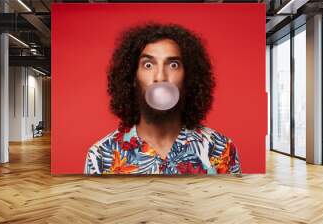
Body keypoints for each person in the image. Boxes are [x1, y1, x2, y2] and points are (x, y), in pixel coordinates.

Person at [84, 23, 241, 175]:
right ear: (133, 77)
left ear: (188, 77)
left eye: (173, 65)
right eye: (148, 65)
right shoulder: (101, 156)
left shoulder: (220, 148)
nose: (160, 77)